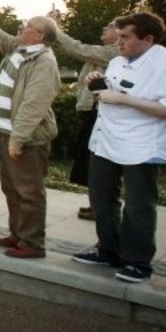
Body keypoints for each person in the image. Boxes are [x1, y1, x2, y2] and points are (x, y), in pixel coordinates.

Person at [73, 12, 166, 283]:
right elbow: (115, 91)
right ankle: (108, 250)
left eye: (125, 37)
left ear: (148, 38)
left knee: (139, 205)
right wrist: (96, 81)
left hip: (142, 145)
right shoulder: (117, 61)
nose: (119, 41)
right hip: (107, 140)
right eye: (118, 36)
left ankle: (138, 261)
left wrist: (125, 100)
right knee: (101, 198)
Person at [0, 2, 60, 259]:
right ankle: (17, 234)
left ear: (40, 35)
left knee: (29, 191)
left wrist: (18, 139)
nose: (22, 27)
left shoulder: (43, 61)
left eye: (29, 26)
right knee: (12, 188)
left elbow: (34, 104)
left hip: (25, 137)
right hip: (7, 132)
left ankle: (32, 242)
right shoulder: (20, 48)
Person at [48, 12, 119, 220]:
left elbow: (77, 49)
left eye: (110, 26)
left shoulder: (112, 54)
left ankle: (102, 207)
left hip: (98, 113)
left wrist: (55, 28)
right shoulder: (105, 53)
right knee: (89, 161)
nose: (104, 29)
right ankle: (96, 203)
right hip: (91, 112)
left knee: (98, 163)